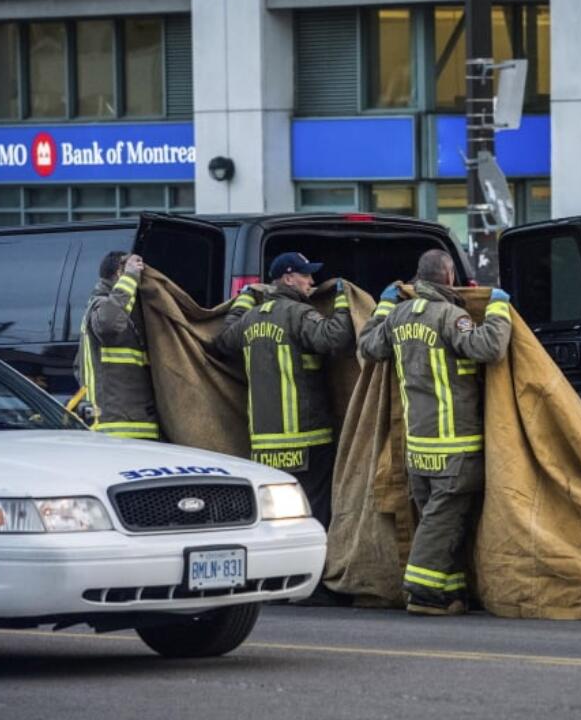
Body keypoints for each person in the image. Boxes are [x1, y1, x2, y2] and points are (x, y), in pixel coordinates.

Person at [358, 249, 512, 616]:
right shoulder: (450, 316)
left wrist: (382, 306)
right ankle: (424, 592)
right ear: (448, 277)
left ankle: (451, 592)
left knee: (442, 521)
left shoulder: (397, 317)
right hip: (455, 446)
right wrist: (498, 309)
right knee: (442, 520)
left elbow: (368, 345)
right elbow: (490, 347)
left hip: (418, 447)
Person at [215, 252, 354, 536]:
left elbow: (222, 340)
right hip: (307, 440)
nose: (311, 282)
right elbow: (334, 338)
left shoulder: (251, 318)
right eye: (306, 275)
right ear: (289, 278)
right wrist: (343, 301)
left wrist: (244, 298)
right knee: (312, 511)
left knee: (275, 513)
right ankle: (316, 571)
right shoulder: (297, 313)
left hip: (265, 444)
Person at [75, 251, 161, 440]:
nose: (140, 275)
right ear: (119, 273)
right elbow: (109, 323)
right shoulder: (102, 305)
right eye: (134, 269)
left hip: (134, 422)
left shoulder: (126, 309)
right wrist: (129, 277)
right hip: (118, 428)